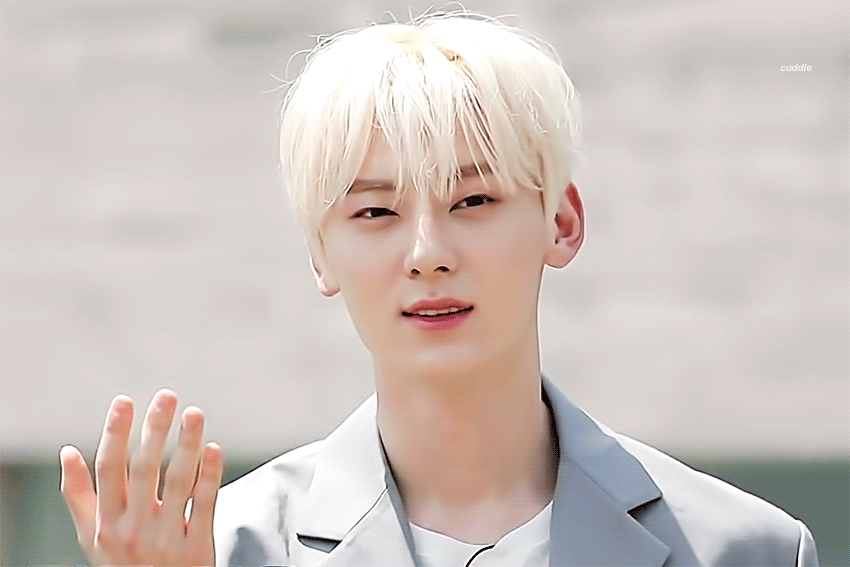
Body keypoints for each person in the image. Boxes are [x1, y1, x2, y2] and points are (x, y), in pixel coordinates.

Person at [59, 11, 820, 567]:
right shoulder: (221, 547)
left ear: (561, 223)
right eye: (375, 212)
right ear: (320, 253)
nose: (427, 254)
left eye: (474, 200)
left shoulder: (746, 548)